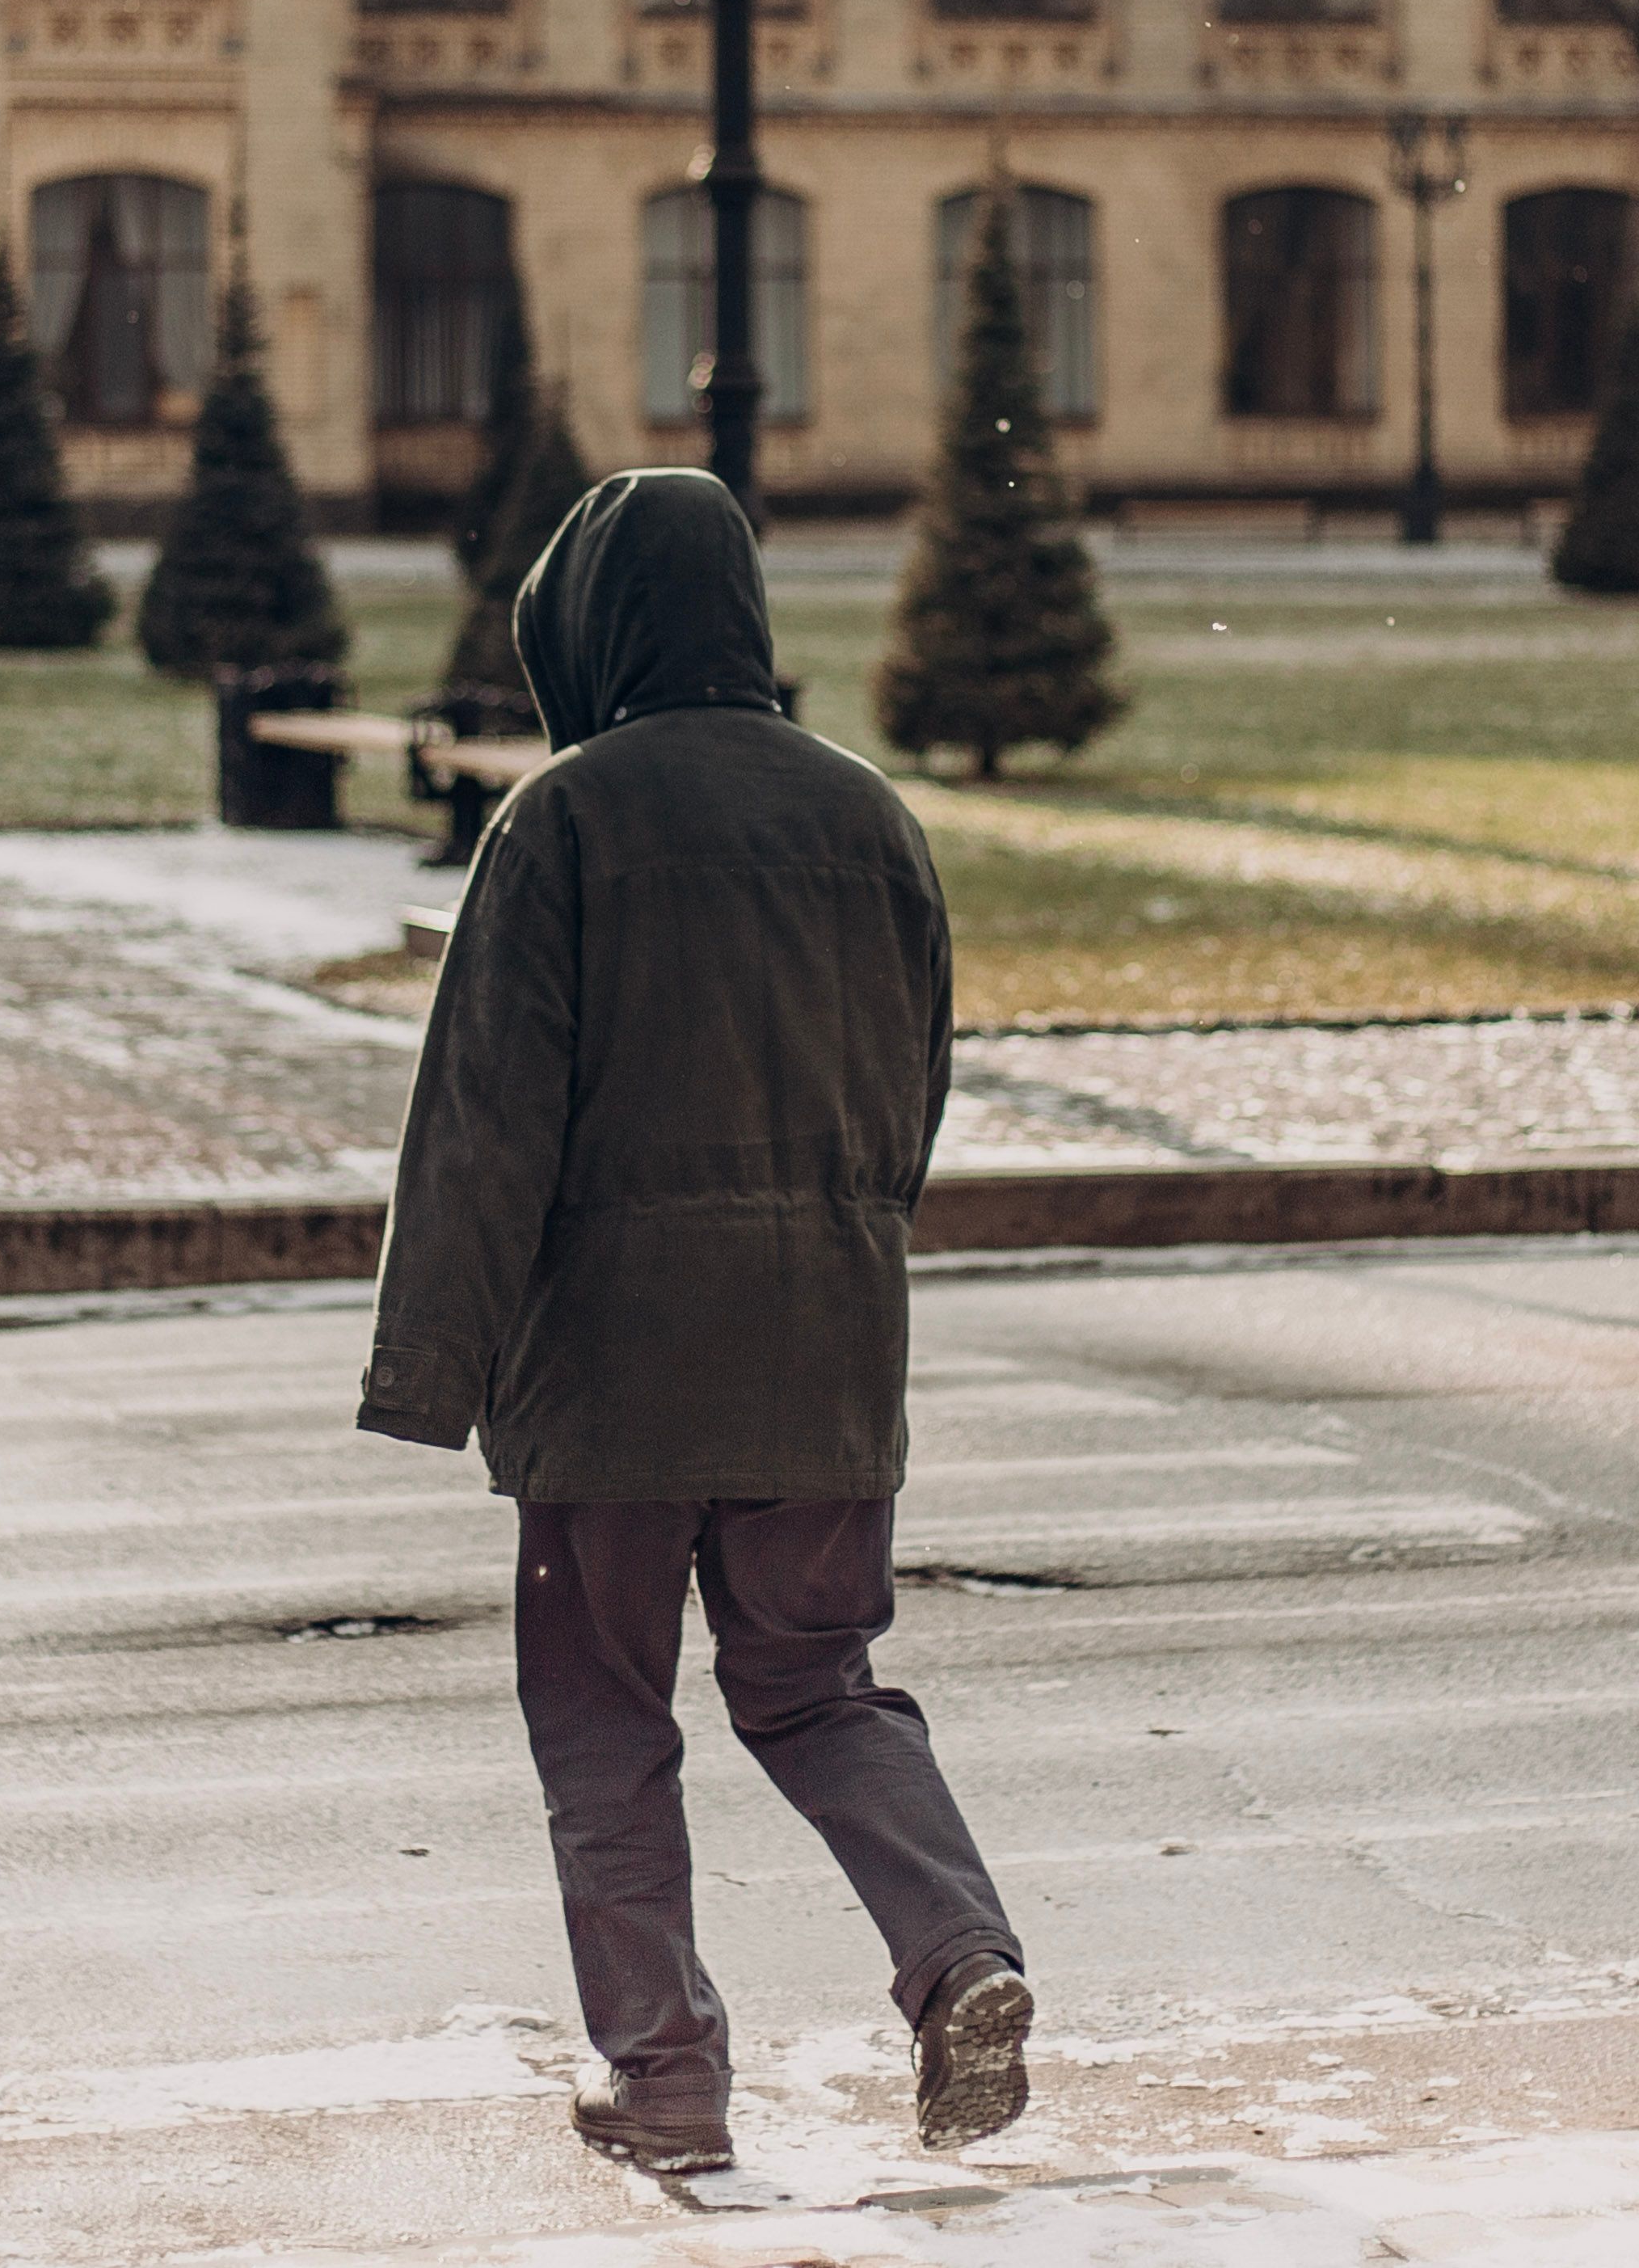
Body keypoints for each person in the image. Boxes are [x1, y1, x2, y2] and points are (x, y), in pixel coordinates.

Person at [355, 466, 1033, 2178]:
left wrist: (428, 1368)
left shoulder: (563, 819)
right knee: (815, 1683)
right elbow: (914, 1088)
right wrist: (838, 1254)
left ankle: (663, 2073)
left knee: (602, 1716)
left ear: (587, 628)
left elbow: (482, 1118)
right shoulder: (871, 815)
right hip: (826, 1348)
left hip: (608, 1373)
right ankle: (959, 1955)